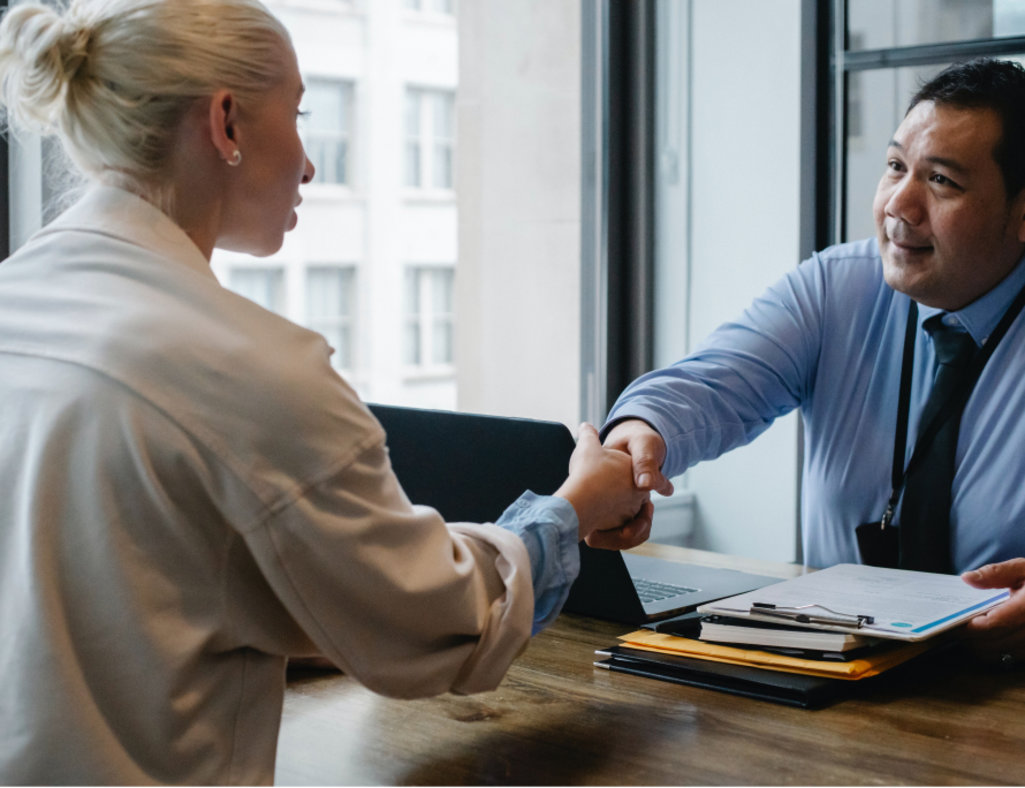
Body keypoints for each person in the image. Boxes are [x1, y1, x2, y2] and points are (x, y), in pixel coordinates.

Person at [0, 0, 651, 783]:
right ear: (226, 123)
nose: (309, 165)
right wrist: (577, 506)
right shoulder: (248, 369)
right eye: (299, 114)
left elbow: (131, 593)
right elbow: (431, 623)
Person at [603, 57, 1025, 667]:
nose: (899, 205)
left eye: (941, 182)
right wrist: (641, 434)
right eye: (895, 167)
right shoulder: (838, 288)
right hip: (834, 677)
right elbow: (710, 386)